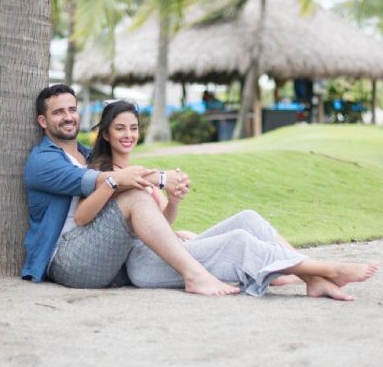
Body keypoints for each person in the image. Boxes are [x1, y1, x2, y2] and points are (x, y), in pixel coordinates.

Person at [76, 100, 379, 300]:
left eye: (133, 128)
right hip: (143, 265)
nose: (128, 135)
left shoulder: (142, 171)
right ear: (105, 134)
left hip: (168, 250)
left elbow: (158, 225)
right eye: (120, 129)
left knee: (248, 218)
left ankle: (312, 276)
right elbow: (105, 225)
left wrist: (174, 201)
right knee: (237, 241)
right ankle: (324, 270)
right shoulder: (104, 174)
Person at [22, 84, 239, 296]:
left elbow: (114, 187)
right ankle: (194, 276)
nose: (68, 117)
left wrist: (170, 204)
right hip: (65, 259)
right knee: (134, 196)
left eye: (72, 109)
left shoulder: (88, 156)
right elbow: (96, 181)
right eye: (58, 112)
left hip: (100, 251)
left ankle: (244, 265)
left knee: (192, 236)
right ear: (43, 121)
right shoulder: (43, 161)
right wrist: (160, 177)